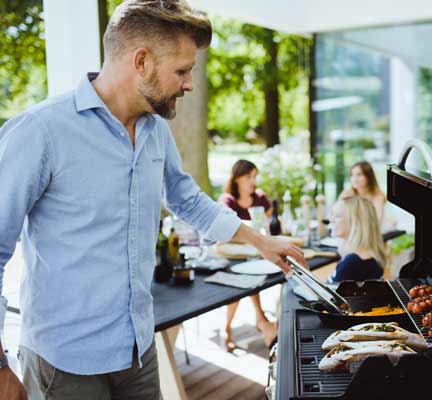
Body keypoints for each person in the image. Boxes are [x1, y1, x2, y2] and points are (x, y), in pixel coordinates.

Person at [0, 2, 307, 399]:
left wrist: (262, 242)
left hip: (138, 349)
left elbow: (186, 199)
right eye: (182, 70)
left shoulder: (154, 129)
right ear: (141, 61)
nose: (189, 84)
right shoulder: (40, 131)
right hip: (65, 361)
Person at [218, 160, 278, 351]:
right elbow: (226, 231)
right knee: (244, 281)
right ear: (236, 179)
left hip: (256, 254)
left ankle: (252, 322)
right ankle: (259, 320)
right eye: (248, 177)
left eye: (254, 177)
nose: (253, 181)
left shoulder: (260, 198)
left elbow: (273, 223)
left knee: (253, 278)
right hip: (232, 256)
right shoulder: (228, 200)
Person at [328, 196, 387, 283]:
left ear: (355, 223)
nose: (331, 220)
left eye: (337, 216)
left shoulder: (352, 264)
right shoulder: (369, 256)